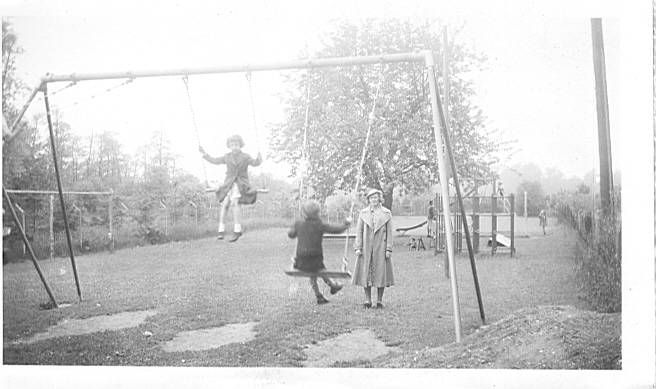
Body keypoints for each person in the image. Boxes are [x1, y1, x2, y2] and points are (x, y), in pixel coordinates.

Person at [199, 134, 262, 242]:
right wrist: (205, 154)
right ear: (229, 146)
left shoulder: (245, 157)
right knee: (225, 205)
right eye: (232, 145)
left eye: (236, 144)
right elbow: (215, 160)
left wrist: (259, 159)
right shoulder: (227, 157)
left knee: (235, 203)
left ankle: (237, 230)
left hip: (241, 183)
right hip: (229, 184)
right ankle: (221, 230)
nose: (234, 147)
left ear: (240, 145)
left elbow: (255, 163)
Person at [288, 200, 351, 305]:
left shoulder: (299, 223)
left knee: (313, 273)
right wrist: (346, 223)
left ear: (304, 212)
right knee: (318, 270)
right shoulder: (319, 224)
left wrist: (294, 227)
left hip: (301, 262)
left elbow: (291, 235)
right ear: (317, 212)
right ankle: (332, 285)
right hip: (315, 260)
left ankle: (319, 296)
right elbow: (337, 229)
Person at [353, 188, 394, 309]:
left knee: (381, 273)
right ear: (368, 200)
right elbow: (359, 231)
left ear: (380, 199)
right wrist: (358, 247)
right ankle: (367, 299)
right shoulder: (363, 213)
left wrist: (388, 249)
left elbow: (390, 233)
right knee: (366, 272)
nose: (374, 200)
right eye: (371, 198)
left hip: (381, 247)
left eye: (376, 197)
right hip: (366, 248)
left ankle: (380, 300)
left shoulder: (386, 213)